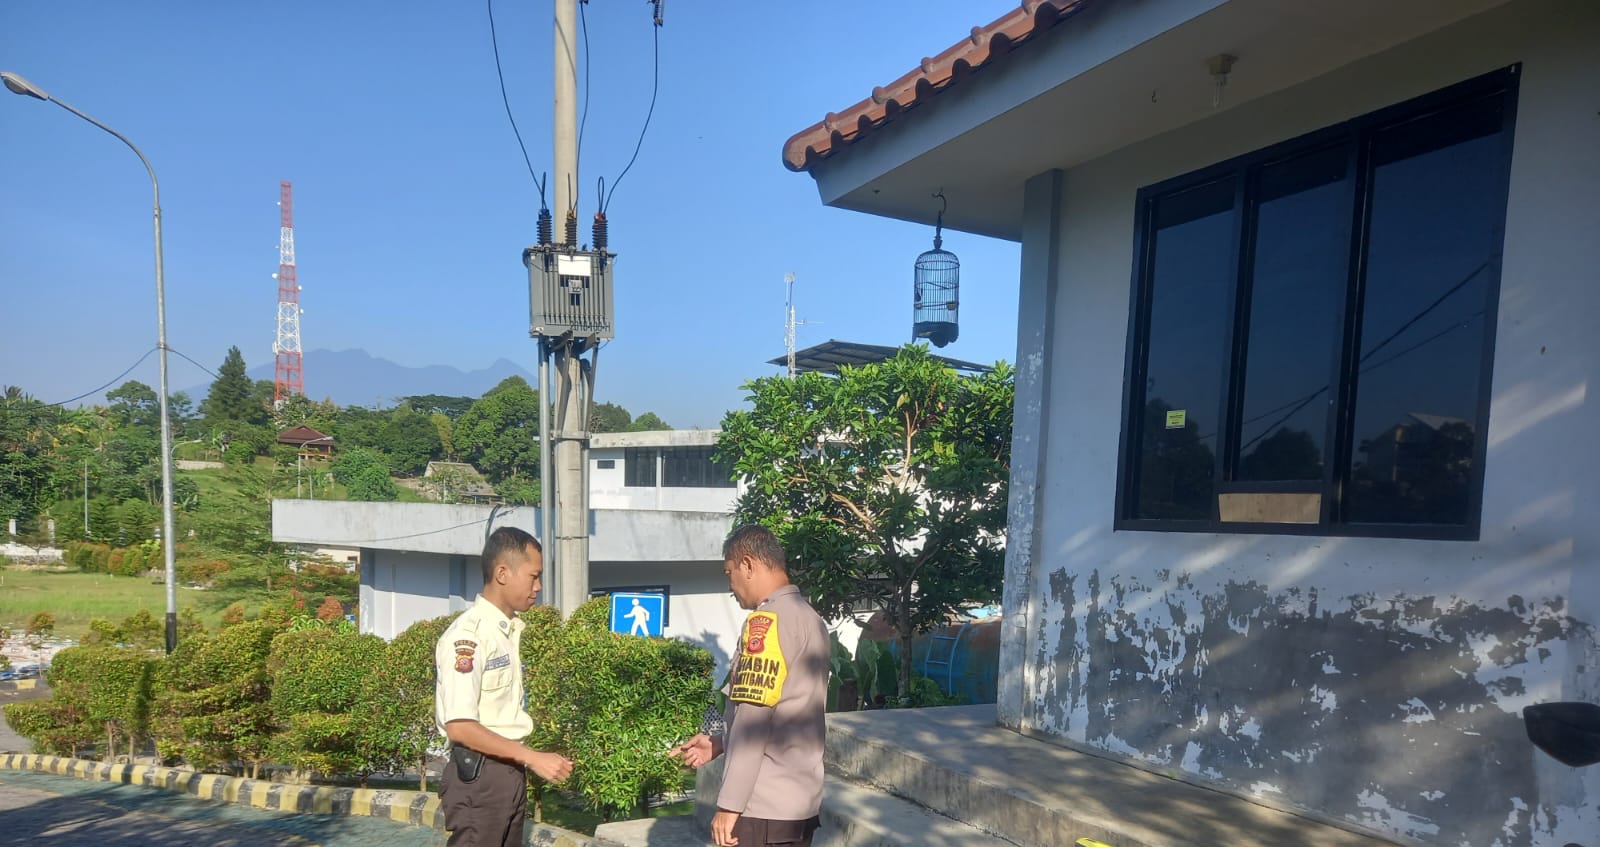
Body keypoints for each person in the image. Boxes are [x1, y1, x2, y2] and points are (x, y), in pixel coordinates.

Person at [669, 524, 828, 847]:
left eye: (730, 572)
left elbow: (754, 719)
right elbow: (784, 710)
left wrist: (729, 806)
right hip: (798, 804)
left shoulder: (767, 622)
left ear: (748, 565)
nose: (731, 585)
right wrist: (719, 742)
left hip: (763, 810)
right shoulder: (810, 618)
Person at [434, 526, 573, 847]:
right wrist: (533, 757)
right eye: (533, 576)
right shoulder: (469, 637)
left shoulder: (504, 633)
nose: (538, 587)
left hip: (506, 774)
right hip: (481, 779)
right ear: (502, 574)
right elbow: (460, 726)